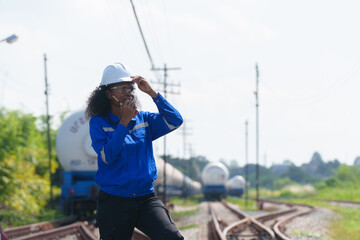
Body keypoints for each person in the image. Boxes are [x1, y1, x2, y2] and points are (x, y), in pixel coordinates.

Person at [86, 62, 184, 240]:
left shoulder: (144, 119)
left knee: (172, 237)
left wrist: (152, 92)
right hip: (114, 201)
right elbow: (108, 157)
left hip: (145, 198)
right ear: (109, 93)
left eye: (131, 88)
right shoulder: (98, 122)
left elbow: (175, 120)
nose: (129, 93)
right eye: (122, 88)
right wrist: (123, 122)